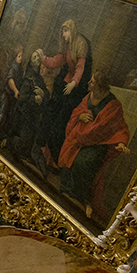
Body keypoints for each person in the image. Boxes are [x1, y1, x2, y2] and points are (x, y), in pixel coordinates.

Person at [58, 72, 130, 215]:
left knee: (83, 161)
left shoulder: (113, 104)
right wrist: (80, 116)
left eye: (92, 82)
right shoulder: (88, 97)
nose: (89, 83)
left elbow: (120, 127)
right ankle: (70, 189)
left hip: (98, 143)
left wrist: (121, 142)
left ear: (100, 86)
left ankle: (85, 199)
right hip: (81, 138)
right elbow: (77, 112)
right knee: (67, 153)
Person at [34, 19, 92, 167]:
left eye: (65, 31)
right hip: (67, 83)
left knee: (60, 125)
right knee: (49, 114)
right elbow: (55, 62)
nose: (63, 34)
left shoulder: (81, 44)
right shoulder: (67, 46)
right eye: (63, 32)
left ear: (71, 30)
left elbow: (80, 68)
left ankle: (55, 160)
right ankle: (41, 151)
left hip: (76, 89)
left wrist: (74, 82)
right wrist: (43, 58)